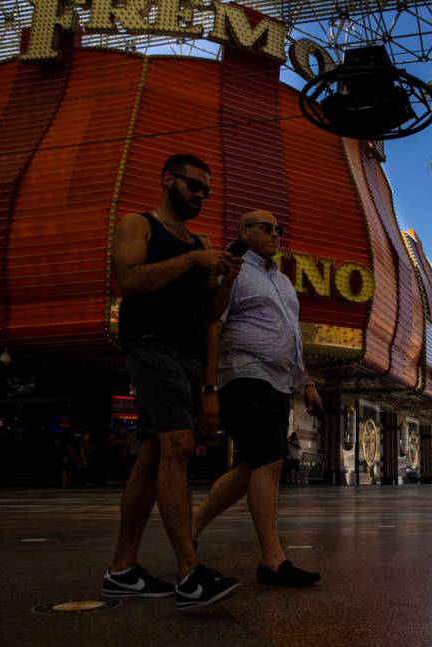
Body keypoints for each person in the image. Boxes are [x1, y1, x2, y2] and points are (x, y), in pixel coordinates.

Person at [102, 153, 242, 609]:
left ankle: (121, 570)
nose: (200, 195)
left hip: (186, 355)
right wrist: (191, 260)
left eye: (206, 191)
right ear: (167, 180)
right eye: (193, 186)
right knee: (179, 446)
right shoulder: (138, 224)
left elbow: (210, 316)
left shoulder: (199, 240)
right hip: (149, 345)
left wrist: (225, 281)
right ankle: (189, 573)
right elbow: (128, 279)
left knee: (153, 459)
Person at [192, 209, 322, 587]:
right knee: (269, 462)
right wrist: (210, 388)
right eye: (266, 228)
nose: (275, 233)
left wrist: (307, 382)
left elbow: (292, 338)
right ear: (244, 232)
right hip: (244, 375)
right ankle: (272, 560)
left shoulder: (281, 281)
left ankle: (192, 525)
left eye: (279, 228)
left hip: (280, 382)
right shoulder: (233, 271)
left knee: (254, 464)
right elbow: (213, 327)